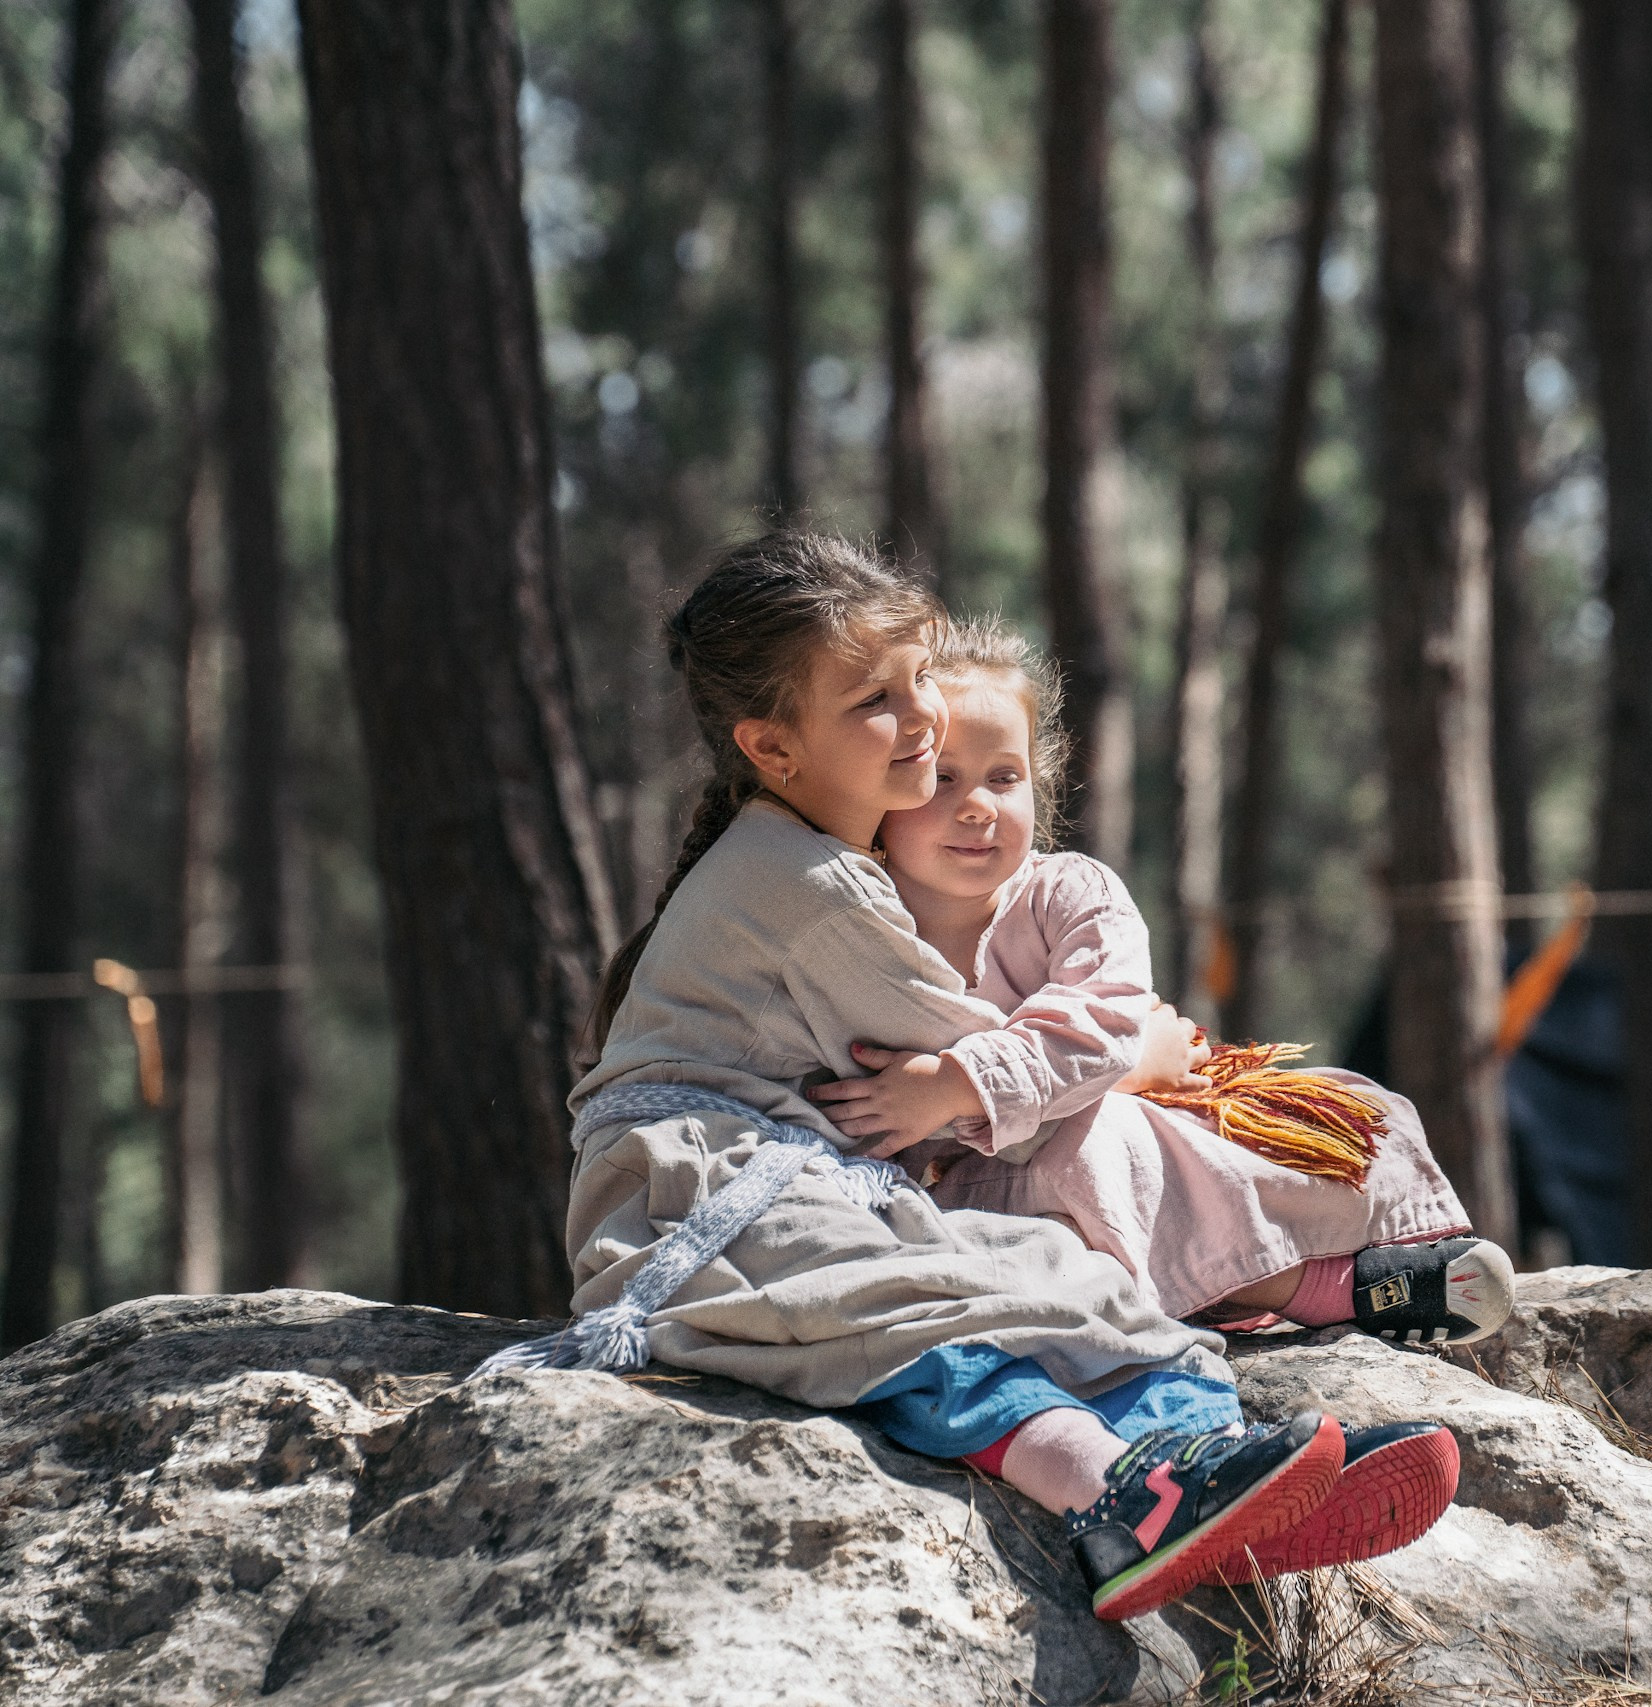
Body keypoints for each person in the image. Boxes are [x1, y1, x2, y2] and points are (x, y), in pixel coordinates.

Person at [552, 531, 1452, 1618]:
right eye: (873, 700)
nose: (922, 713)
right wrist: (1135, 1062)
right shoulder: (806, 884)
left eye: (918, 675)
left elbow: (963, 1072)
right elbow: (1002, 1086)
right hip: (698, 1201)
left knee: (1064, 1276)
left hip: (798, 1183)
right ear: (773, 747)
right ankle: (1113, 1492)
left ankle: (1219, 1466)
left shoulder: (826, 861)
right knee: (906, 1314)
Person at [811, 617, 1510, 1362]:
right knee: (1081, 1152)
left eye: (1004, 775)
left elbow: (1100, 1020)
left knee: (1104, 1140)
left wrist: (958, 1084)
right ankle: (1318, 1286)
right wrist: (1129, 1060)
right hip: (957, 1207)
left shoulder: (1069, 893)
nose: (979, 804)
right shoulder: (852, 922)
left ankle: (1356, 1266)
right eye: (942, 777)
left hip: (1099, 1161)